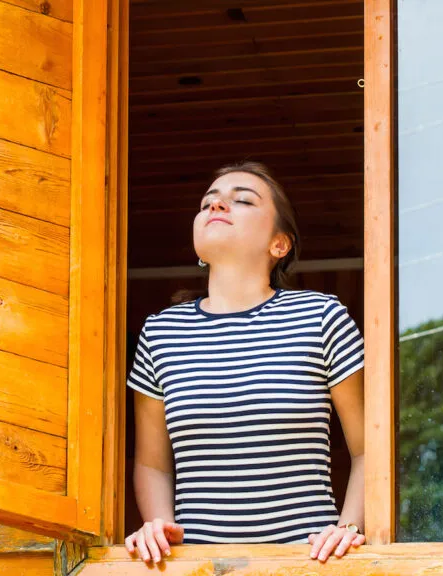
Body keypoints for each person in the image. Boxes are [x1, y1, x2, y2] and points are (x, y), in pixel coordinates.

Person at [124, 161, 366, 564]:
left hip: (310, 567)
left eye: (242, 200)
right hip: (198, 569)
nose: (217, 207)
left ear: (279, 245)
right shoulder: (160, 332)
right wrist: (158, 527)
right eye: (208, 203)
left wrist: (349, 529)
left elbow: (368, 450)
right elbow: (151, 464)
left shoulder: (321, 316)